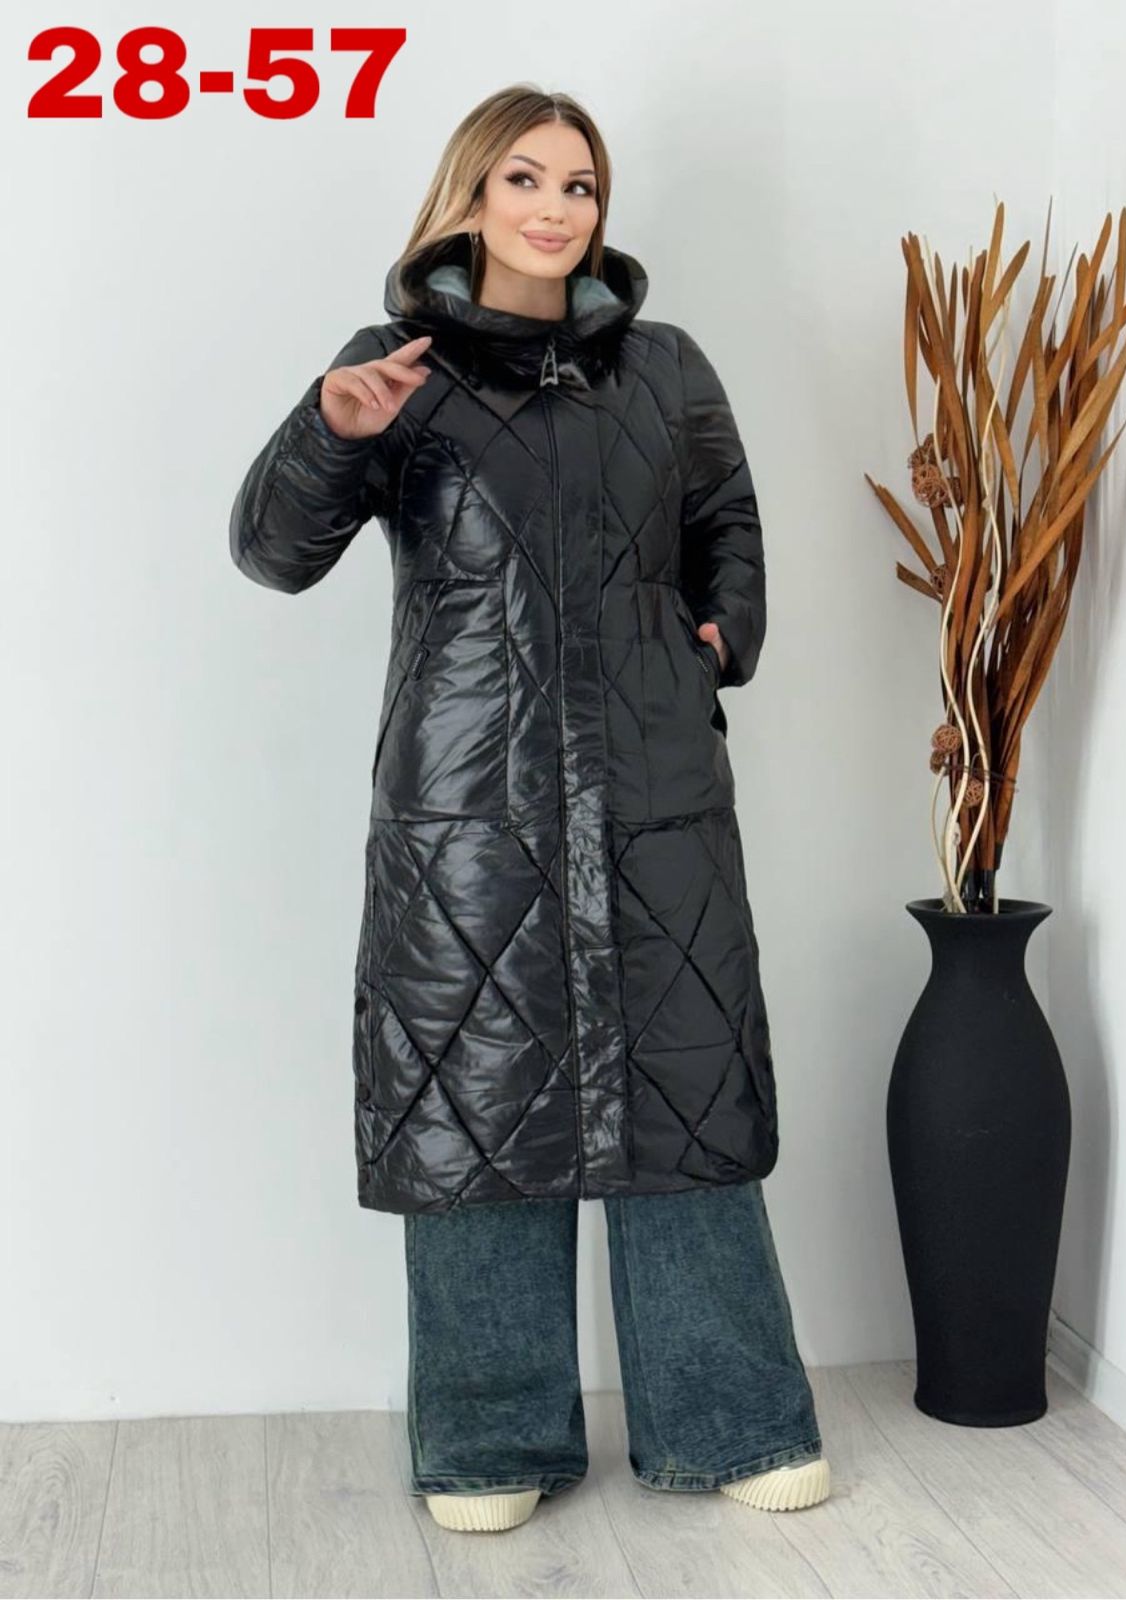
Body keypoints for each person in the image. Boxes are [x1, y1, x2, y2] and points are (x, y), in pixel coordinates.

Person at [229, 84, 830, 1533]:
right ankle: (492, 1438)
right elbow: (272, 551)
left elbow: (726, 524)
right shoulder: (394, 367)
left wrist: (715, 643)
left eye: (579, 185)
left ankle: (732, 1420)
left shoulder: (666, 367)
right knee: (476, 1094)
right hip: (468, 803)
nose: (556, 208)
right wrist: (331, 430)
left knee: (686, 1087)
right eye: (524, 179)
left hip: (654, 787)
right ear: (471, 196)